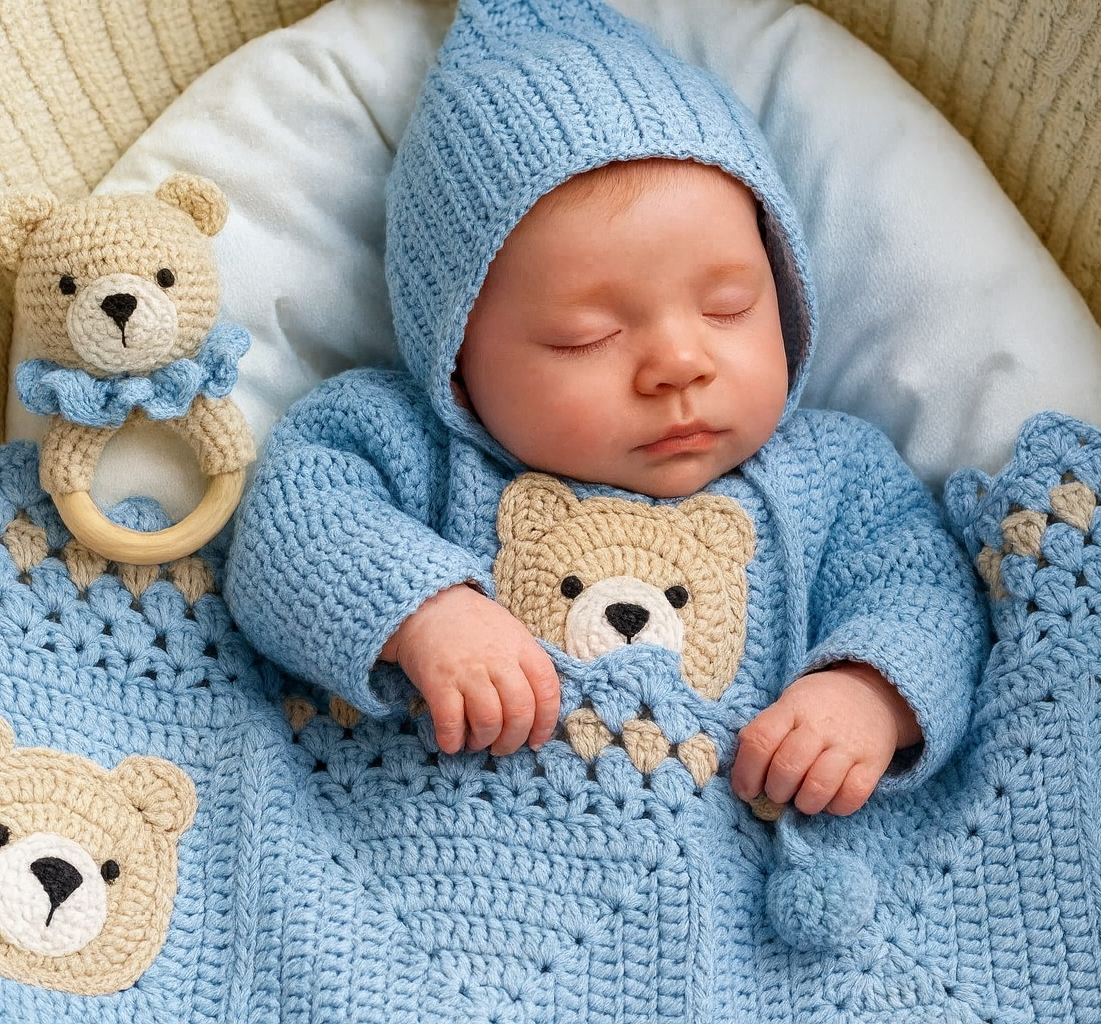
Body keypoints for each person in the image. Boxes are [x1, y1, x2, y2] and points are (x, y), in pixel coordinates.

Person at [225, 0, 987, 820]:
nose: (679, 364)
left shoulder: (834, 473)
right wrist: (424, 613)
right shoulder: (401, 443)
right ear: (456, 361)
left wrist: (867, 694)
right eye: (586, 336)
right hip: (447, 855)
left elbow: (925, 591)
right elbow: (291, 526)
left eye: (728, 307)